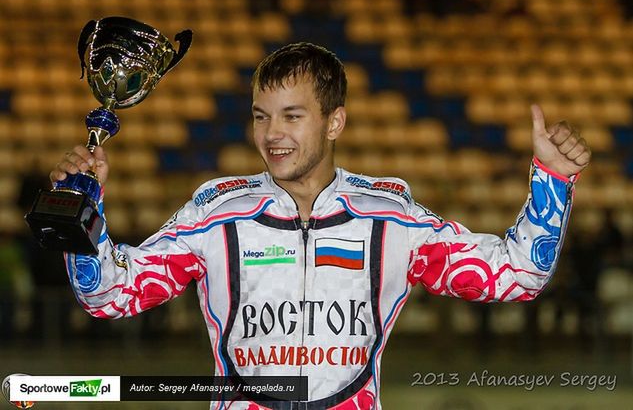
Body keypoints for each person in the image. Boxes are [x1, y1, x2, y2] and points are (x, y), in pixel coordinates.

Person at [51, 42, 591, 409]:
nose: (271, 134)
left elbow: (519, 275)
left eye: (292, 115)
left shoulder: (391, 216)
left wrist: (552, 180)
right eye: (261, 116)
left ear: (335, 122)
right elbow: (109, 295)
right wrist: (84, 216)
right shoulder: (215, 214)